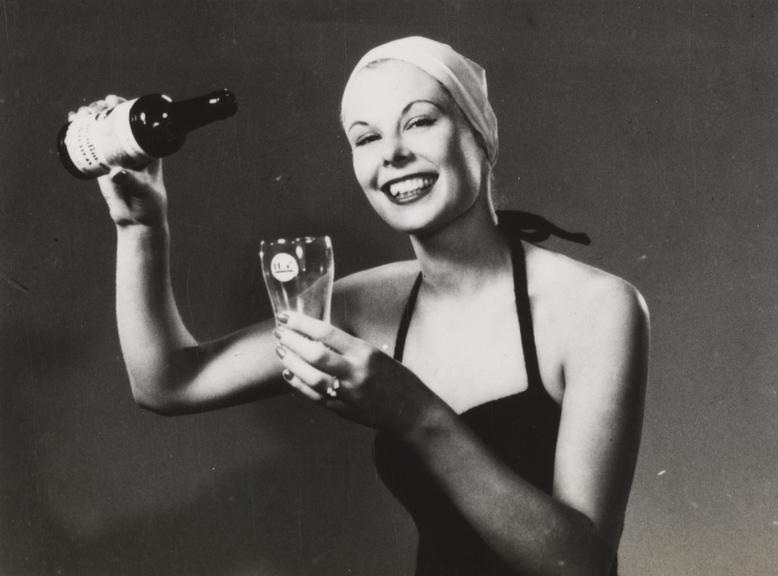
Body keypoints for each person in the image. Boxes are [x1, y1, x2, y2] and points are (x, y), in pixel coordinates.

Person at [72, 36, 649, 576]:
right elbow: (167, 383)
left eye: (420, 122)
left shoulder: (595, 309)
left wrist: (414, 413)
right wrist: (140, 224)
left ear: (479, 134)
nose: (393, 154)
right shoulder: (368, 302)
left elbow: (584, 564)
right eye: (366, 138)